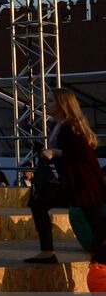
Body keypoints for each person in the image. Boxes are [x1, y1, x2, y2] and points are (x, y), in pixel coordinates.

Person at [26, 89, 106, 265]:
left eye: (50, 101)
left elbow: (83, 154)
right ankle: (47, 252)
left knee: (98, 224)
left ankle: (101, 259)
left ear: (62, 105)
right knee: (39, 204)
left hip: (84, 184)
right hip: (74, 184)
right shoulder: (60, 125)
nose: (47, 104)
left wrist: (54, 152)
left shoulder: (71, 126)